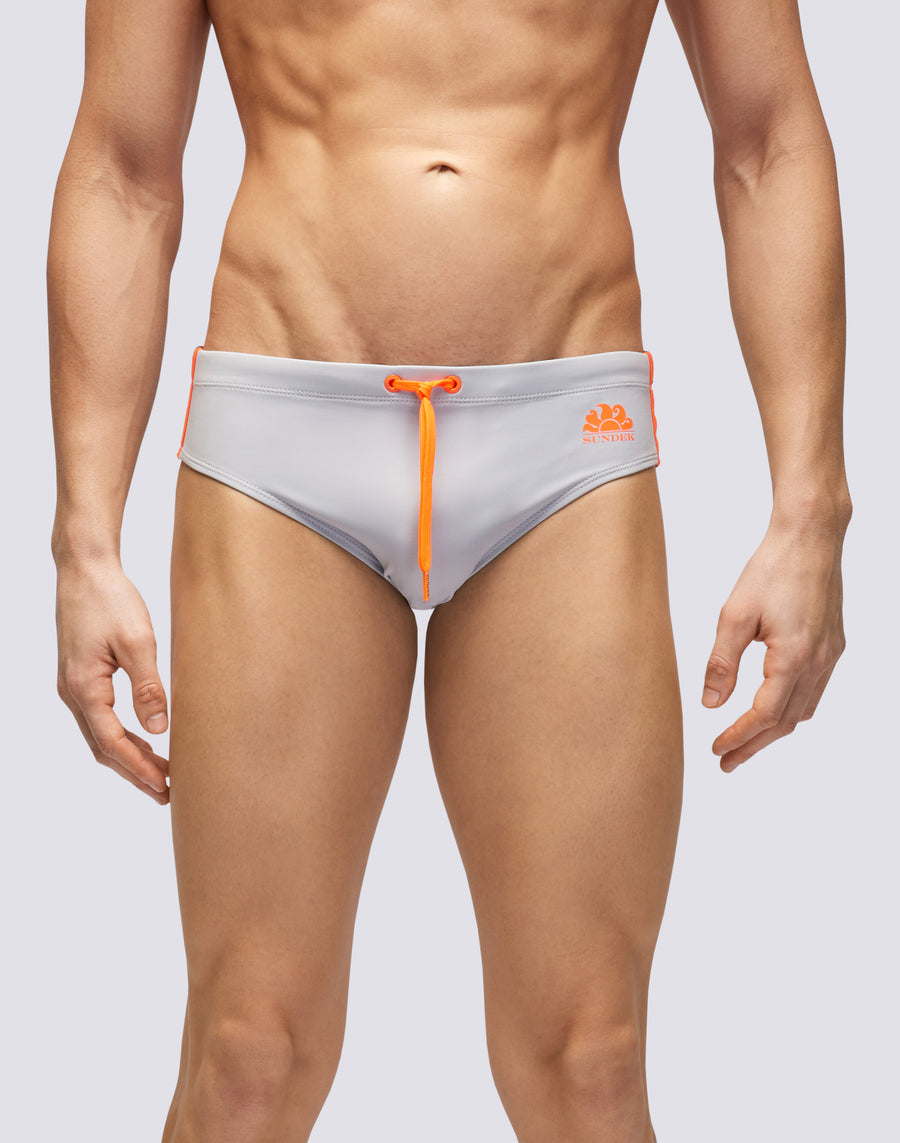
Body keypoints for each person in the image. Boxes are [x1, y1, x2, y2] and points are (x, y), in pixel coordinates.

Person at [48, 0, 851, 1139]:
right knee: (248, 1058)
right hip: (284, 437)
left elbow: (768, 135)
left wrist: (811, 509)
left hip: (564, 441)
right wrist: (84, 540)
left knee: (591, 1062)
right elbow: (123, 169)